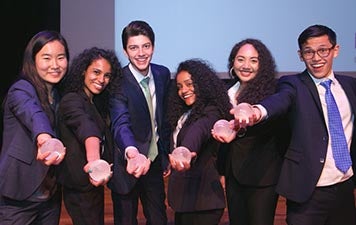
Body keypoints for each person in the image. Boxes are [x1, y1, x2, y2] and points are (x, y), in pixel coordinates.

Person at [235, 24, 356, 225]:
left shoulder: (350, 86)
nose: (316, 58)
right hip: (307, 192)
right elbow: (280, 101)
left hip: (344, 187)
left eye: (323, 50)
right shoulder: (292, 84)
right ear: (301, 55)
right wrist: (257, 111)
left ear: (336, 50)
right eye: (309, 52)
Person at [212, 38, 290, 225]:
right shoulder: (226, 92)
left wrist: (251, 114)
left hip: (263, 177)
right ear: (232, 62)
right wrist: (222, 170)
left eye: (253, 60)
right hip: (233, 175)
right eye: (241, 59)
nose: (246, 65)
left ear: (262, 65)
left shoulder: (273, 92)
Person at [0, 30, 69, 225]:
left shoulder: (59, 94)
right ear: (33, 60)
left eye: (61, 58)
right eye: (47, 58)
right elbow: (32, 113)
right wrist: (45, 139)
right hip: (18, 197)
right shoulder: (21, 89)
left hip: (50, 195)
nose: (55, 65)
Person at [108, 20, 171, 225]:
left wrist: (165, 153)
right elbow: (120, 122)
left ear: (153, 46)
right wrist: (132, 152)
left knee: (158, 218)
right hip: (127, 163)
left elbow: (163, 119)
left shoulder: (162, 74)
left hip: (153, 162)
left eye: (146, 46)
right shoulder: (118, 81)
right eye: (134, 48)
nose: (141, 53)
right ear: (125, 51)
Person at [57, 47, 122, 225]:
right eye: (96, 72)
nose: (101, 80)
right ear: (83, 70)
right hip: (81, 185)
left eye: (107, 75)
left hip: (92, 185)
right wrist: (94, 162)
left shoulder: (93, 102)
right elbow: (86, 127)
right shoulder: (72, 99)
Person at [166, 59, 230, 225]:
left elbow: (199, 130)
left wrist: (185, 150)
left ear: (202, 84)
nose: (184, 90)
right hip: (184, 199)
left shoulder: (212, 110)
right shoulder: (183, 113)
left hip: (204, 200)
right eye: (179, 86)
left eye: (189, 84)